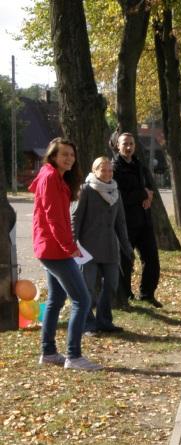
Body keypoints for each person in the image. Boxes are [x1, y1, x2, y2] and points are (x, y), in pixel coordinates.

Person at [29, 138, 101, 371]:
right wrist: (69, 247)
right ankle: (74, 356)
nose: (69, 158)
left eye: (72, 154)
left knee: (56, 300)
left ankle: (48, 352)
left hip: (50, 247)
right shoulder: (50, 176)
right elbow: (52, 218)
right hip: (54, 250)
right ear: (53, 156)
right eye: (64, 155)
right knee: (82, 300)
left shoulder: (55, 176)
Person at [73, 156, 134, 335]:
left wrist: (127, 247)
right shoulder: (85, 190)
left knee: (112, 285)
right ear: (94, 171)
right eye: (103, 170)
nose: (107, 173)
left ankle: (104, 321)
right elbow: (75, 219)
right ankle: (88, 324)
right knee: (87, 288)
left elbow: (121, 223)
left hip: (110, 248)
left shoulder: (116, 191)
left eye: (110, 170)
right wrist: (72, 244)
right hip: (87, 249)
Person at [113, 132, 163, 308]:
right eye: (125, 144)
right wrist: (143, 194)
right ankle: (126, 296)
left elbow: (150, 186)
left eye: (131, 144)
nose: (128, 147)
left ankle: (147, 294)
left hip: (144, 221)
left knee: (152, 259)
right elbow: (121, 196)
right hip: (126, 223)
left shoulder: (139, 165)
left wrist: (149, 195)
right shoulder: (115, 168)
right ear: (117, 146)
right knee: (126, 261)